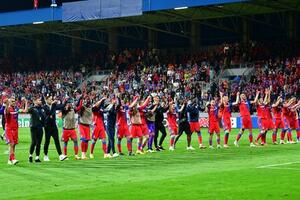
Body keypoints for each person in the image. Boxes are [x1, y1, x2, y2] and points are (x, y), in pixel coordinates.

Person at [42, 96, 67, 161]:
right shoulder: (44, 107)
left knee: (57, 141)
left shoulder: (54, 105)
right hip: (47, 127)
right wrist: (53, 105)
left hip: (54, 126)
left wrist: (65, 100)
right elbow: (50, 112)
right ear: (46, 100)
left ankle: (60, 155)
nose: (51, 100)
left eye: (51, 99)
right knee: (47, 141)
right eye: (50, 99)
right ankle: (45, 155)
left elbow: (61, 106)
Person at [5, 97, 28, 165]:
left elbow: (25, 111)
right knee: (11, 143)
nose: (14, 102)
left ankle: (10, 159)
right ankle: (13, 159)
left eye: (14, 101)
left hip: (15, 129)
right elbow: (6, 112)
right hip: (9, 129)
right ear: (9, 102)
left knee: (14, 144)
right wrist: (6, 104)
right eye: (12, 101)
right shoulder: (8, 109)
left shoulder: (16, 109)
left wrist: (26, 102)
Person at [28, 97, 46, 163]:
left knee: (39, 143)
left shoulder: (42, 109)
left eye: (41, 100)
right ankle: (30, 156)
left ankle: (37, 157)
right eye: (39, 100)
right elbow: (28, 110)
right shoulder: (32, 108)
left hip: (40, 127)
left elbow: (43, 118)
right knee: (34, 142)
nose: (40, 101)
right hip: (33, 127)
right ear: (35, 101)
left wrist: (44, 125)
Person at [76, 95, 93, 160]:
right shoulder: (82, 108)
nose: (88, 102)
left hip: (87, 126)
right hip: (82, 125)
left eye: (89, 101)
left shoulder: (91, 108)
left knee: (87, 141)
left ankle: (84, 154)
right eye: (87, 101)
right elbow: (78, 106)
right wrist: (80, 99)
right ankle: (82, 154)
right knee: (83, 139)